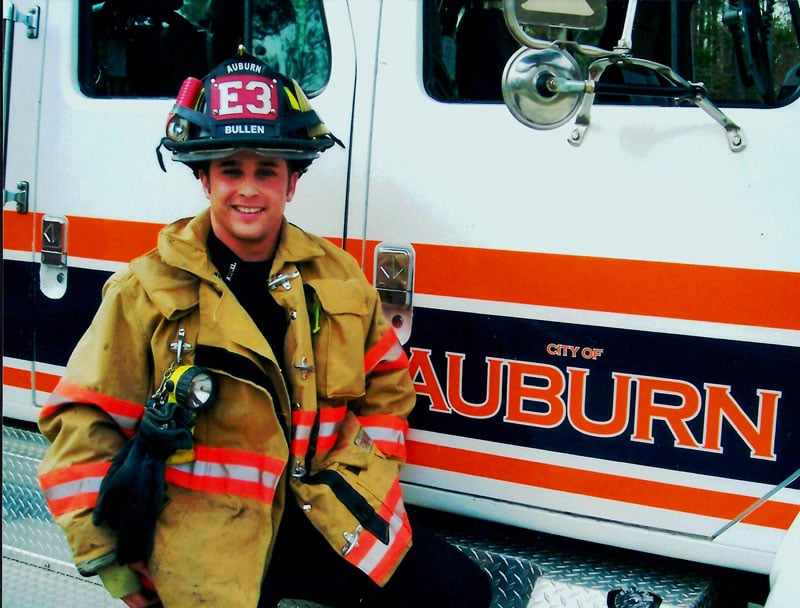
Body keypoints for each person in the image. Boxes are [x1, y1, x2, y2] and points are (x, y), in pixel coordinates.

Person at [37, 48, 492, 608]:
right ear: (204, 179)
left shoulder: (338, 277)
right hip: (208, 545)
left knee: (459, 591)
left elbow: (387, 386)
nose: (248, 189)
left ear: (292, 182)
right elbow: (82, 426)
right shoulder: (144, 291)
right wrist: (118, 572)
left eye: (266, 172)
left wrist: (367, 473)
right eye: (231, 170)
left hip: (325, 515)